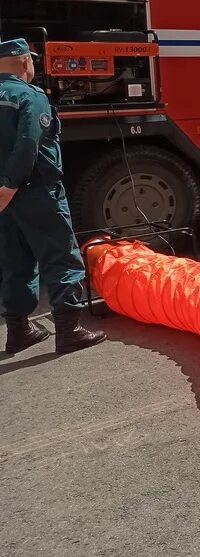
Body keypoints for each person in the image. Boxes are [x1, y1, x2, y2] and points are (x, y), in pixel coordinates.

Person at [0, 38, 106, 355]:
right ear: (23, 62)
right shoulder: (28, 95)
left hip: (3, 198)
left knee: (15, 263)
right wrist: (10, 184)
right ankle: (69, 330)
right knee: (60, 256)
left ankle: (18, 331)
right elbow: (29, 144)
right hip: (33, 191)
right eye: (31, 60)